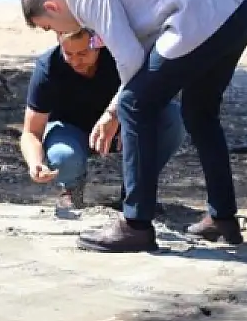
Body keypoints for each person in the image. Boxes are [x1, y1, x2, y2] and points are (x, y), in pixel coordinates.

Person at [19, 0, 247, 253]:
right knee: (199, 112)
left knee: (134, 105)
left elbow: (130, 59)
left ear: (52, 6)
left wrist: (111, 113)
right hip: (239, 8)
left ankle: (135, 225)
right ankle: (223, 216)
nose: (56, 33)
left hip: (204, 13)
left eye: (49, 26)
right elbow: (143, 51)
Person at [19, 28, 185, 212]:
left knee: (172, 117)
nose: (75, 61)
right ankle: (71, 191)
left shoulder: (121, 58)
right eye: (69, 54)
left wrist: (129, 119)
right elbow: (31, 131)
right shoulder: (48, 66)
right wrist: (35, 163)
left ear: (98, 44)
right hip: (71, 132)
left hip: (122, 128)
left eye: (82, 53)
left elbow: (157, 93)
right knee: (62, 156)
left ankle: (137, 190)